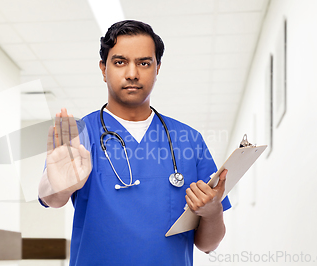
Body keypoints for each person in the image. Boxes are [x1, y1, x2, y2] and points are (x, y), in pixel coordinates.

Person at [38, 20, 231, 266]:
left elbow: (207, 245)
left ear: (158, 68)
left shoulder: (189, 140)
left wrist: (213, 212)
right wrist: (60, 188)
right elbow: (51, 198)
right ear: (103, 69)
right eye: (120, 62)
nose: (132, 73)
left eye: (144, 63)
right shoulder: (79, 135)